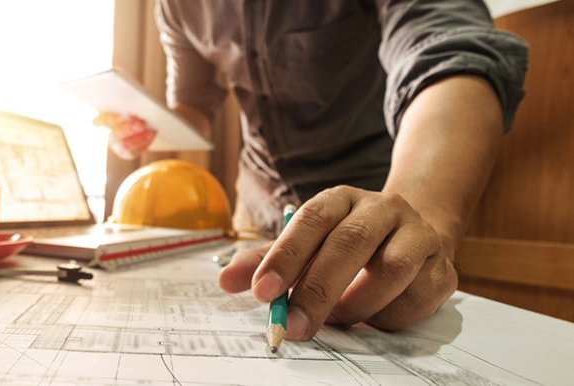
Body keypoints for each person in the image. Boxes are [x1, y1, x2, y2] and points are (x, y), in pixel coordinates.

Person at [98, 1, 528, 341]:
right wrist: (150, 127)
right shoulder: (175, 6)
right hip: (258, 208)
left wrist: (420, 217)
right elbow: (195, 103)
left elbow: (450, 52)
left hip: (376, 202)